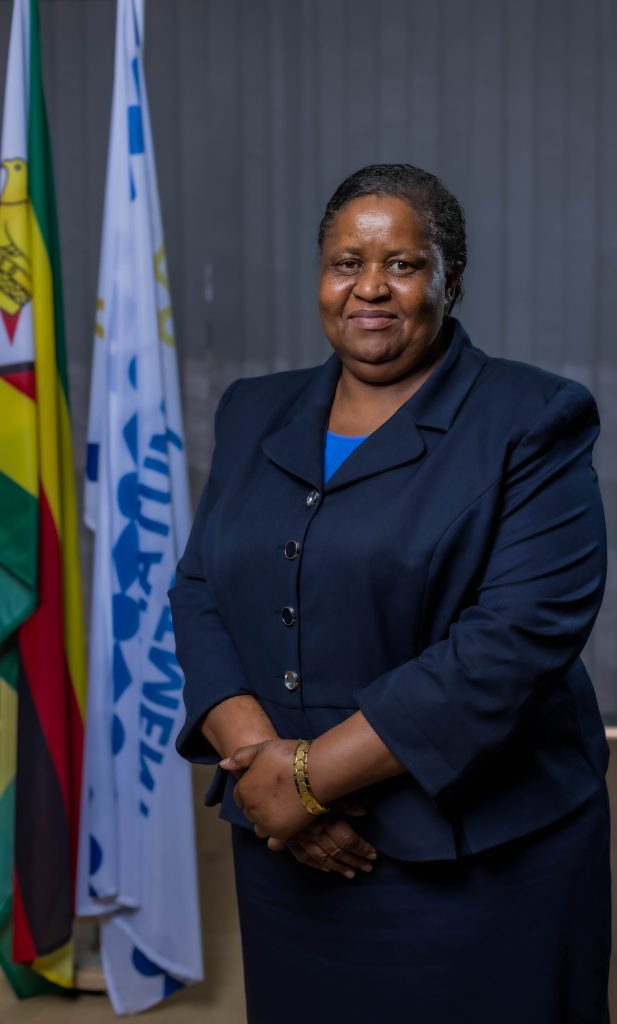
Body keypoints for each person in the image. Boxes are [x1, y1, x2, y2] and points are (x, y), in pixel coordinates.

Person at [170, 164, 611, 1024]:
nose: (369, 287)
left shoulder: (532, 416)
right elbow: (199, 589)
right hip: (287, 853)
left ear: (450, 279)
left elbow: (511, 642)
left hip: (482, 863)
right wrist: (264, 770)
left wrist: (305, 780)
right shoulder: (251, 411)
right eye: (346, 263)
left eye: (402, 264)